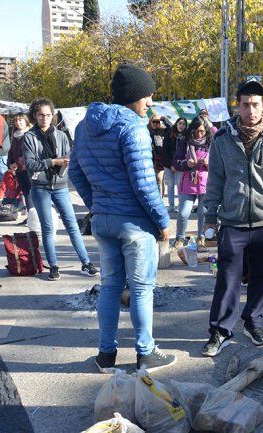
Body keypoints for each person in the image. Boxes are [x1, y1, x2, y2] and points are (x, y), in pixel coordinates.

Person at [69, 62, 175, 373]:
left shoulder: (84, 126)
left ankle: (106, 355)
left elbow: (75, 172)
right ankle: (145, 353)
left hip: (103, 220)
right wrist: (163, 222)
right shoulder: (133, 128)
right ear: (135, 96)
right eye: (148, 97)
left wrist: (97, 204)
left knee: (111, 287)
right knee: (142, 289)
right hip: (133, 224)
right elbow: (144, 184)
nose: (150, 103)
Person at [201, 78, 263, 356]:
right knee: (227, 279)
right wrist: (209, 219)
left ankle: (252, 321)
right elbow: (215, 180)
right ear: (237, 106)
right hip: (233, 222)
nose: (250, 110)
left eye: (255, 104)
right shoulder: (222, 139)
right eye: (245, 104)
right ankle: (220, 331)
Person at [22, 98, 97, 282]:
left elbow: (69, 156)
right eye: (41, 115)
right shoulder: (29, 137)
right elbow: (31, 164)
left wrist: (66, 162)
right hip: (40, 187)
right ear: (35, 115)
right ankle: (54, 266)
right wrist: (53, 162)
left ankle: (86, 263)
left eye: (48, 115)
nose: (45, 118)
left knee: (72, 225)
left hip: (61, 185)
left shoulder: (61, 135)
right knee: (48, 229)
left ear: (53, 115)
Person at [172, 115, 213, 247]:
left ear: (206, 130)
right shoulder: (184, 141)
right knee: (184, 212)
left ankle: (201, 236)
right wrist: (186, 163)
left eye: (202, 131)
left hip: (205, 183)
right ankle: (180, 238)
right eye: (196, 131)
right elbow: (176, 162)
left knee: (203, 213)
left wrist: (209, 163)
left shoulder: (211, 142)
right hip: (188, 183)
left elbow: (220, 162)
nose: (199, 134)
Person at [7, 114, 34, 212]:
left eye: (20, 120)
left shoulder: (30, 134)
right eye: (16, 121)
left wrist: (17, 164)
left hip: (28, 168)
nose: (18, 123)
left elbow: (28, 153)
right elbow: (11, 151)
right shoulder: (15, 134)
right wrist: (10, 164)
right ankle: (30, 215)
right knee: (25, 192)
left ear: (26, 121)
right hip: (18, 169)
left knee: (31, 192)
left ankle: (35, 215)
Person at [163, 117, 188, 213]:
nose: (181, 126)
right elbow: (165, 151)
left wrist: (179, 165)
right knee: (170, 185)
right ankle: (171, 205)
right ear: (176, 123)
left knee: (179, 185)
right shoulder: (169, 134)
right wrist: (171, 165)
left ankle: (180, 205)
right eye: (180, 123)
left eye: (184, 124)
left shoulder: (186, 136)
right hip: (169, 164)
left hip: (180, 165)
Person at [148, 115, 167, 198]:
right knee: (153, 181)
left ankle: (160, 200)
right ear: (150, 122)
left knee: (160, 180)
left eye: (158, 121)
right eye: (154, 121)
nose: (156, 123)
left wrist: (163, 119)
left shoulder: (162, 131)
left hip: (160, 159)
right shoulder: (145, 130)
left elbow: (172, 127)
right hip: (149, 159)